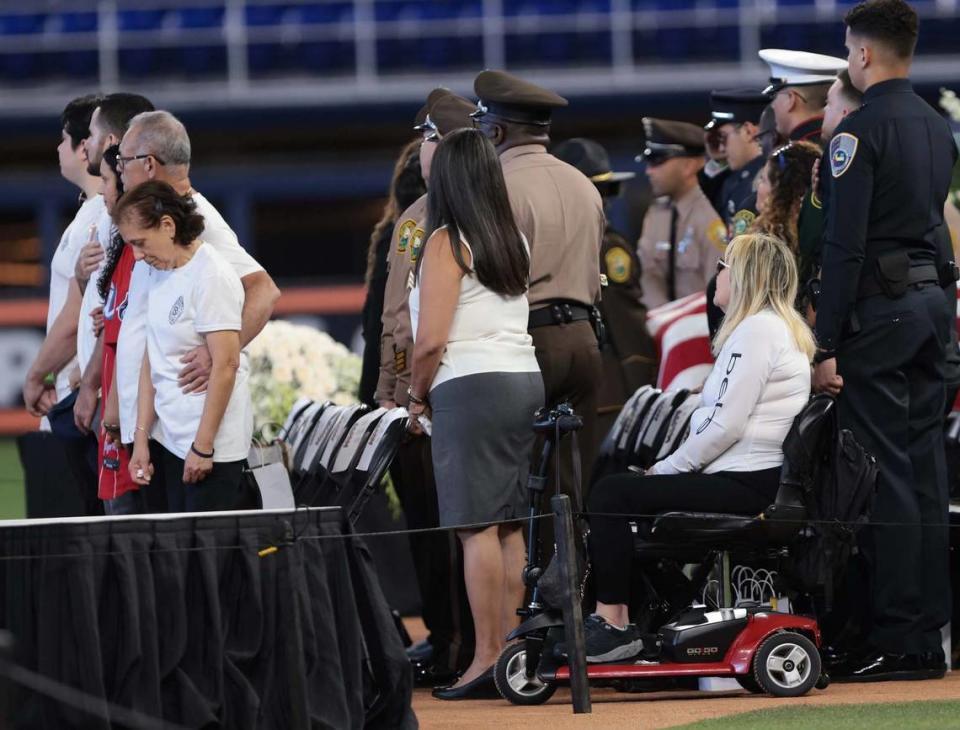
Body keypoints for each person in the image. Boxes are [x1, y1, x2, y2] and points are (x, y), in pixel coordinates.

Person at [578, 233, 814, 662]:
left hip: (746, 482)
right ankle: (673, 610)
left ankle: (612, 624)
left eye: (724, 267)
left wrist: (667, 469)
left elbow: (723, 427)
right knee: (625, 499)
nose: (716, 275)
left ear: (743, 278)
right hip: (747, 476)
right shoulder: (768, 329)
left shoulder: (758, 331)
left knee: (611, 496)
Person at [812, 0, 957, 681]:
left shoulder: (858, 132)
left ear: (863, 54)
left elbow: (843, 245)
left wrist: (825, 339)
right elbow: (938, 227)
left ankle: (898, 637)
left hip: (882, 311)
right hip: (933, 307)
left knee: (889, 473)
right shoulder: (937, 126)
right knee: (926, 470)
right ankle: (929, 635)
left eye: (848, 50)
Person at [407, 128, 544, 699]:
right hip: (522, 380)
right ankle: (512, 653)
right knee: (510, 523)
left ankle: (487, 655)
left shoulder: (445, 241)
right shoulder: (509, 236)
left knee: (474, 527)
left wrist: (417, 394)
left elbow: (431, 341)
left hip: (470, 385)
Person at [115, 111, 278, 500]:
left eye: (123, 161)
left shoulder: (199, 227)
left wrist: (219, 351)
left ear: (149, 163)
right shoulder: (155, 236)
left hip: (191, 432)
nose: (119, 171)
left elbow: (264, 290)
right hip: (161, 425)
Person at [377, 90, 478, 686]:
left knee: (443, 527)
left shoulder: (421, 220)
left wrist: (394, 391)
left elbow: (401, 321)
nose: (423, 149)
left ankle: (454, 646)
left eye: (432, 137)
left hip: (432, 392)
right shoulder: (497, 209)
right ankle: (468, 642)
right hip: (487, 385)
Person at [472, 69, 604, 502]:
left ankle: (534, 570)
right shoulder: (584, 185)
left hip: (529, 341)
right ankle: (576, 570)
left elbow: (489, 280)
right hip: (585, 340)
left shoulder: (496, 187)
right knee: (570, 485)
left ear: (496, 131)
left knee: (520, 484)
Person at [123, 182, 253, 511]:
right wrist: (142, 440)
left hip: (209, 449)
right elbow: (151, 358)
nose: (137, 256)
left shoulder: (211, 276)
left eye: (140, 243)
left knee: (204, 560)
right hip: (169, 440)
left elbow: (226, 365)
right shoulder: (157, 272)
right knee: (173, 557)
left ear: (168, 226)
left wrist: (204, 446)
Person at [22, 94, 105, 516]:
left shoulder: (99, 218)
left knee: (71, 535)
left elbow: (77, 318)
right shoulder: (89, 215)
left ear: (83, 146)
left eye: (63, 138)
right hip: (77, 392)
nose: (57, 148)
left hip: (79, 403)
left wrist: (40, 373)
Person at [552, 137, 657, 441]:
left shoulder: (542, 243)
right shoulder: (606, 247)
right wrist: (641, 378)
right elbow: (626, 323)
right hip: (608, 389)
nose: (606, 201)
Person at [73, 94, 156, 441]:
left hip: (143, 411)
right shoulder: (113, 219)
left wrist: (216, 354)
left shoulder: (181, 219)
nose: (82, 148)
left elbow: (260, 287)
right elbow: (122, 312)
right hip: (116, 395)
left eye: (88, 136)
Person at [88, 145, 142, 514]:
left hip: (133, 424)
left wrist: (113, 407)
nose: (102, 190)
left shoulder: (145, 252)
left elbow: (139, 343)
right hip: (117, 421)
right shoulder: (123, 248)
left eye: (107, 180)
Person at [358, 137, 425, 407]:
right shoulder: (400, 238)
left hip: (396, 379)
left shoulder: (391, 234)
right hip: (406, 384)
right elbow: (392, 324)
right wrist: (391, 389)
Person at [636, 118, 727, 308]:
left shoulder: (711, 213)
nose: (648, 171)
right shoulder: (656, 213)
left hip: (703, 331)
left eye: (657, 161)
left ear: (689, 166)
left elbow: (720, 290)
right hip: (663, 329)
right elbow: (648, 277)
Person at [708, 89, 769, 236]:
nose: (721, 148)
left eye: (723, 138)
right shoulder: (734, 179)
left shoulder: (766, 178)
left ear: (748, 131)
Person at [759, 48, 847, 144]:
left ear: (790, 99)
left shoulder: (794, 155)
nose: (773, 105)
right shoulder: (841, 145)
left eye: (775, 96)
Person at [753, 141, 823, 257]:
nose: (758, 187)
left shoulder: (768, 250)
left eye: (763, 180)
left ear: (779, 193)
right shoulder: (825, 233)